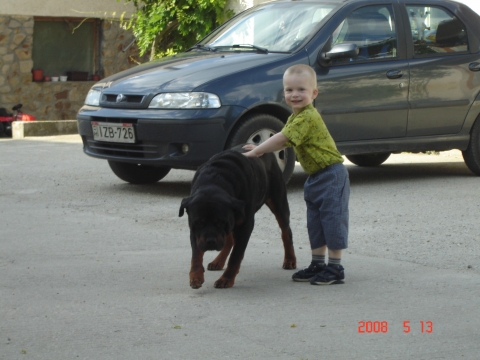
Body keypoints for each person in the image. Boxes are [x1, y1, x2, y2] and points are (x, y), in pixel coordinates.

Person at [243, 64, 350, 285]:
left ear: (314, 93)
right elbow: (285, 134)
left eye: (301, 89)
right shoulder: (295, 118)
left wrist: (257, 150)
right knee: (315, 222)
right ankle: (318, 263)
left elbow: (282, 138)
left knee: (332, 220)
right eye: (289, 90)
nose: (295, 95)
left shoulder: (308, 117)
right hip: (315, 177)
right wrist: (259, 147)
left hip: (331, 175)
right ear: (284, 93)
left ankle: (335, 268)